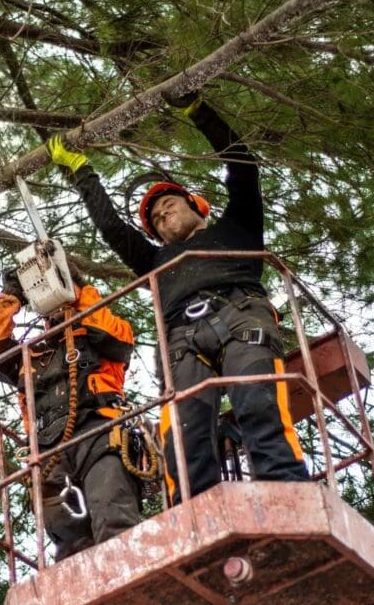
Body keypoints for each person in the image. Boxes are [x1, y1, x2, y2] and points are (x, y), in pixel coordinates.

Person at [46, 92, 309, 505]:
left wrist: (199, 111)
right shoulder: (154, 260)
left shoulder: (237, 227)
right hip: (183, 339)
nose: (161, 215)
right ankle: (195, 510)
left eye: (168, 205)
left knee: (258, 401)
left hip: (241, 315)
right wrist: (82, 171)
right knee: (183, 432)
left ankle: (290, 495)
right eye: (155, 219)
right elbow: (113, 229)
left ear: (196, 205)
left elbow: (242, 166)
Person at [0, 265, 141, 561]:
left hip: (99, 434)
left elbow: (109, 334)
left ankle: (129, 576)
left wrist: (78, 286)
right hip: (48, 452)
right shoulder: (31, 354)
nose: (55, 309)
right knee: (67, 542)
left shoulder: (99, 332)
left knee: (112, 514)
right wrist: (10, 298)